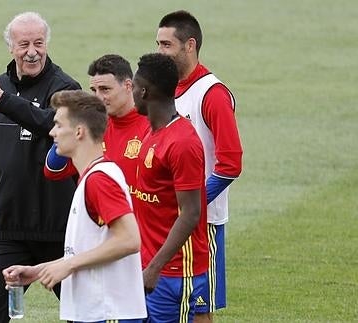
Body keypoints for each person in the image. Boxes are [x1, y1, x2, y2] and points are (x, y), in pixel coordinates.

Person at [3, 90, 147, 323]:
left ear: (79, 131)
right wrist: (38, 271)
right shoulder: (91, 177)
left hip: (108, 315)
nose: (52, 132)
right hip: (97, 314)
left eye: (59, 125)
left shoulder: (100, 180)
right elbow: (88, 249)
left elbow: (129, 240)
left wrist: (68, 266)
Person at [0, 12, 81, 322]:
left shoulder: (64, 87)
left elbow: (55, 127)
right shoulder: (0, 86)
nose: (32, 51)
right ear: (11, 47)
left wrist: (6, 102)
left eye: (38, 43)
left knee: (82, 313)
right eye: (24, 44)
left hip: (57, 231)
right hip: (9, 229)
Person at [156, 10, 243, 319]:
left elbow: (230, 164)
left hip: (201, 224)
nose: (160, 52)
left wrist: (193, 205)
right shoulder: (166, 91)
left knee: (198, 309)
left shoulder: (212, 94)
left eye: (167, 45)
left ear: (189, 45)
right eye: (158, 44)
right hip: (165, 219)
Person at [132, 53, 209, 323]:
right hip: (149, 266)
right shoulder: (149, 132)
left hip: (177, 271)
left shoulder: (182, 142)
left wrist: (155, 268)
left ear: (144, 91)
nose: (130, 93)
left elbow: (190, 213)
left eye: (132, 86)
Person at [45, 54, 150, 195]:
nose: (98, 98)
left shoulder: (151, 125)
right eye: (94, 90)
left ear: (128, 86)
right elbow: (53, 170)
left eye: (105, 89)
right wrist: (72, 121)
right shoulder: (93, 127)